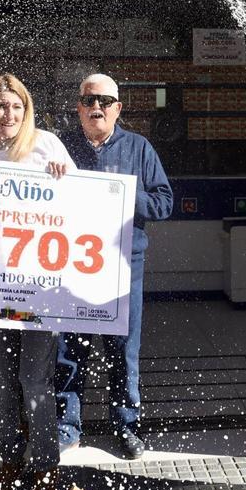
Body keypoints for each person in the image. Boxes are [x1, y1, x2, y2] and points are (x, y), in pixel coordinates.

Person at [0, 73, 73, 490]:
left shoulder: (46, 145)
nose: (8, 115)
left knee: (34, 380)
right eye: (0, 106)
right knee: (2, 382)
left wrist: (66, 180)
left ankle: (45, 465)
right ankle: (10, 460)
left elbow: (83, 209)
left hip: (38, 290)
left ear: (27, 112)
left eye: (17, 107)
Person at [55, 74, 173, 459]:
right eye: (89, 101)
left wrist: (121, 191)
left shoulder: (139, 148)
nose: (97, 108)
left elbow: (164, 203)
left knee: (124, 352)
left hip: (124, 269)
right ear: (79, 107)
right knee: (69, 351)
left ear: (118, 108)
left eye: (106, 101)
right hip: (72, 268)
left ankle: (127, 426)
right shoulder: (61, 147)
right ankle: (67, 426)